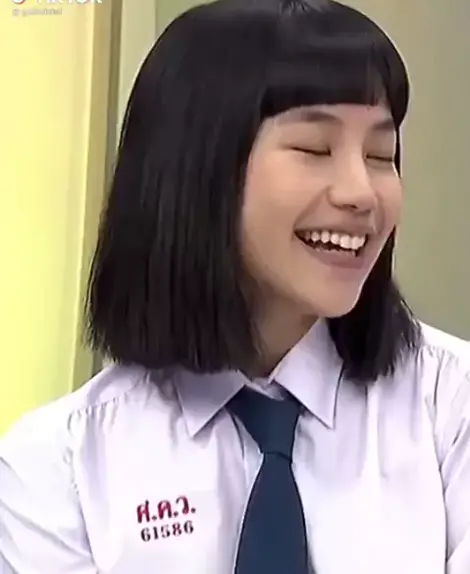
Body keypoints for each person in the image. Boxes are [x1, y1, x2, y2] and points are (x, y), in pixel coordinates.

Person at [1, 0, 469, 572]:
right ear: (197, 170)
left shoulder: (452, 407)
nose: (362, 193)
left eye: (381, 154)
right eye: (314, 149)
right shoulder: (58, 468)